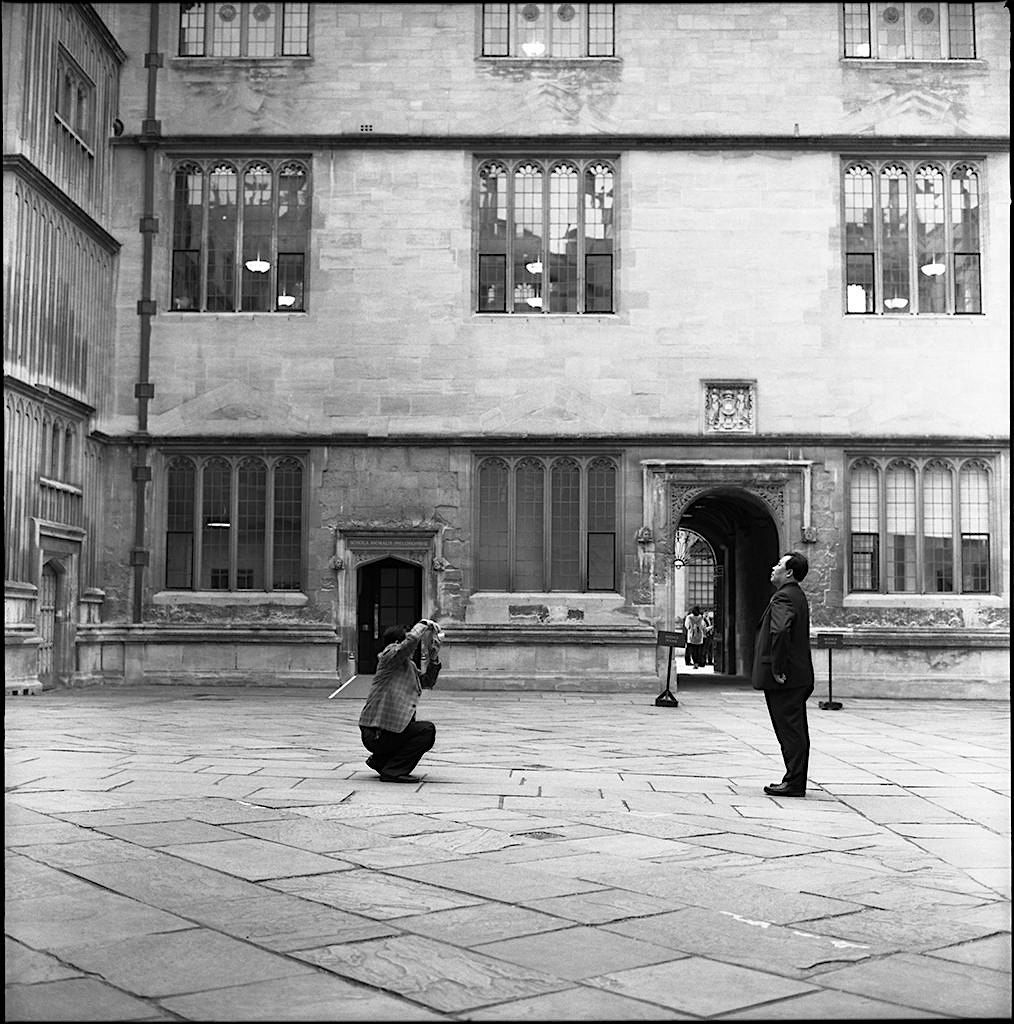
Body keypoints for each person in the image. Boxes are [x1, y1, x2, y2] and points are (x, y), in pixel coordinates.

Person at [752, 552, 815, 798]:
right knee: (795, 730)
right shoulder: (796, 595)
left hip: (787, 678)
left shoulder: (783, 597)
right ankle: (795, 780)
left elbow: (780, 631)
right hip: (798, 676)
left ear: (788, 572)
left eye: (779, 564)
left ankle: (794, 782)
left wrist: (777, 668)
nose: (773, 566)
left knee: (790, 731)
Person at [359, 618, 440, 783]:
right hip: (377, 732)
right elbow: (408, 645)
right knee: (426, 731)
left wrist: (433, 658)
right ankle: (393, 770)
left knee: (420, 731)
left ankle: (381, 761)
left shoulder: (407, 665)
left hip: (390, 730)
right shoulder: (388, 657)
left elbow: (427, 682)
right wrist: (423, 624)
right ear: (397, 642)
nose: (413, 646)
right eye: (407, 638)